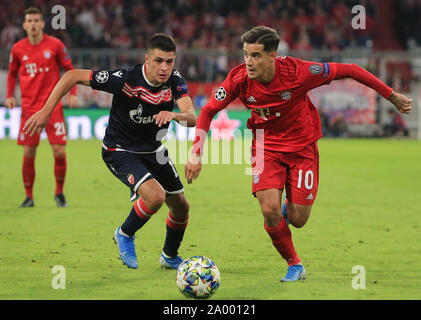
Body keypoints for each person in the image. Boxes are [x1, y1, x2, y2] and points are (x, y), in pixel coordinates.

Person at [185, 26, 412, 282]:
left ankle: (284, 211)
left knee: (298, 218)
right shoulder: (238, 79)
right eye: (245, 54)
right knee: (269, 210)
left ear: (273, 55)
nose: (248, 62)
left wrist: (390, 95)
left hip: (302, 147)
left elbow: (349, 69)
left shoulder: (299, 72)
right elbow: (207, 111)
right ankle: (294, 264)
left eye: (256, 55)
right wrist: (196, 154)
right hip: (265, 146)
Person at [23, 33, 197, 270]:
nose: (164, 67)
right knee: (155, 196)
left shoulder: (174, 80)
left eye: (169, 61)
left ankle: (169, 256)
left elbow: (191, 117)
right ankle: (124, 233)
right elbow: (72, 75)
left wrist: (175, 115)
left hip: (153, 150)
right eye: (158, 60)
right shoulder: (124, 79)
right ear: (147, 59)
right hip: (120, 149)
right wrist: (45, 112)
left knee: (181, 206)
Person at [5, 7, 78, 208]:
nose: (34, 24)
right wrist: (10, 95)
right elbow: (11, 74)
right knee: (28, 152)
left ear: (43, 24)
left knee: (59, 151)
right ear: (24, 25)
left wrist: (72, 94)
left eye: (37, 20)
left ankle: (59, 193)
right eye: (30, 20)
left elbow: (70, 69)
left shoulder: (55, 45)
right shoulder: (18, 49)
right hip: (29, 109)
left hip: (52, 107)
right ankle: (29, 196)